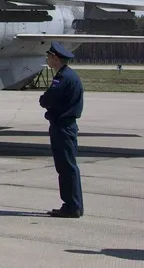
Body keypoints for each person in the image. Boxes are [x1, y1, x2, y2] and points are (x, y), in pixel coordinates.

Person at [39, 41, 84, 218]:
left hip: (62, 127)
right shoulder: (69, 75)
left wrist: (44, 100)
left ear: (55, 58)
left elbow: (47, 99)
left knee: (66, 167)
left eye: (49, 57)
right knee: (69, 166)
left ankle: (72, 206)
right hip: (67, 126)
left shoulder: (62, 78)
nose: (48, 59)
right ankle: (74, 205)